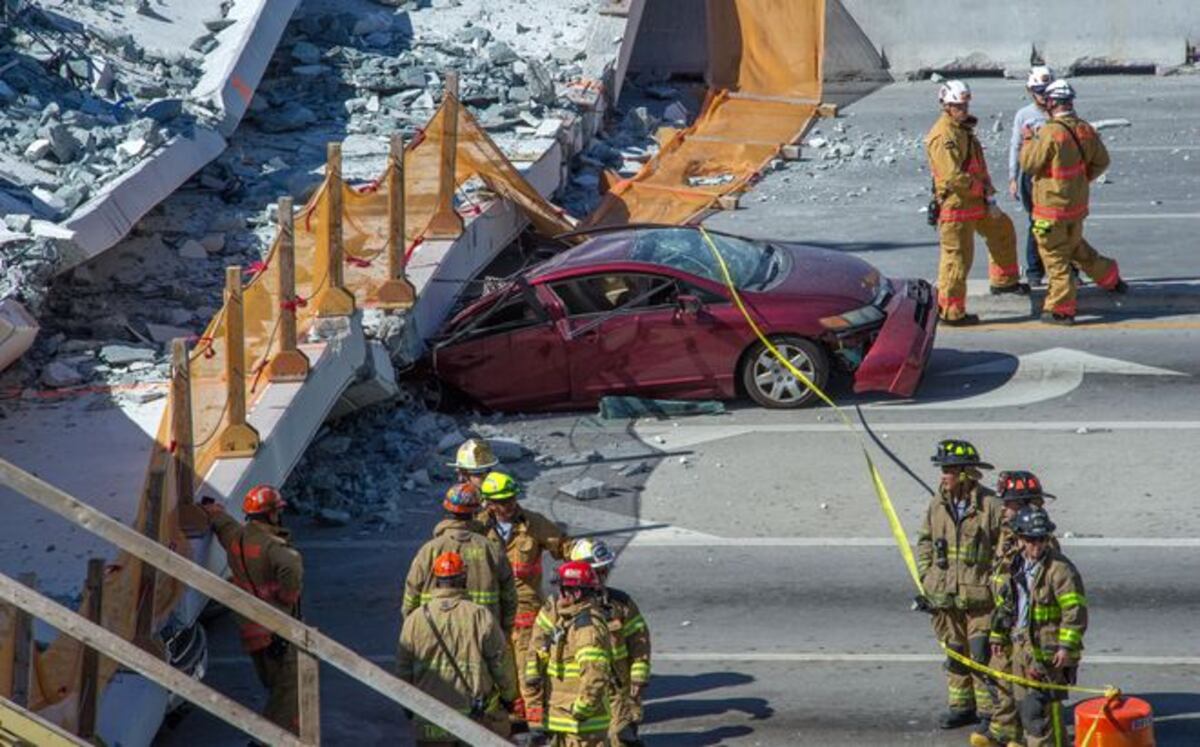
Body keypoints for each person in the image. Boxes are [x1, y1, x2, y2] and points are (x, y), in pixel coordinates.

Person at [1019, 79, 1127, 325]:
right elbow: (1102, 161)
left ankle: (1061, 308)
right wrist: (1080, 181)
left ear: (1052, 103)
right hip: (1075, 208)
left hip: (1049, 210)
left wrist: (1028, 140)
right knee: (1075, 246)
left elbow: (1029, 164)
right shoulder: (1085, 129)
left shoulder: (1049, 132)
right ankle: (1110, 277)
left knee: (1054, 256)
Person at [916, 439, 1005, 730]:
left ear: (967, 473)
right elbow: (925, 542)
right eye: (942, 468)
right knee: (955, 654)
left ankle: (989, 713)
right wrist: (927, 577)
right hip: (945, 596)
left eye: (949, 469)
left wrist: (995, 586)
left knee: (981, 656)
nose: (943, 474)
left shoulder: (990, 506)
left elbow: (1005, 552)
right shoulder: (937, 504)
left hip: (980, 599)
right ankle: (961, 706)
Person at [925, 79, 1028, 326]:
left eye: (965, 105)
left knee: (1002, 230)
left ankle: (1004, 282)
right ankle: (951, 312)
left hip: (976, 201)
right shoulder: (944, 135)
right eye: (958, 106)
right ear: (946, 106)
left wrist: (988, 193)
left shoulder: (962, 130)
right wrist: (981, 190)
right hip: (957, 205)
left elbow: (976, 165)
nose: (963, 110)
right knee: (957, 260)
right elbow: (952, 176)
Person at [204, 485, 303, 734]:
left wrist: (212, 512)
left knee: (276, 684)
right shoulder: (275, 548)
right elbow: (291, 571)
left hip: (251, 630)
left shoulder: (239, 538)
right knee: (290, 688)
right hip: (277, 629)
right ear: (271, 514)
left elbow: (225, 527)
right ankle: (271, 738)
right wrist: (287, 597)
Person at [477, 471, 571, 728]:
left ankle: (532, 723)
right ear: (489, 502)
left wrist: (584, 560)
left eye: (512, 499)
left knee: (527, 668)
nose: (509, 506)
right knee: (497, 668)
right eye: (502, 501)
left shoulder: (533, 524)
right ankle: (503, 717)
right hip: (491, 614)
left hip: (525, 612)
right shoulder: (477, 527)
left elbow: (564, 546)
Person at [974, 471, 1059, 747]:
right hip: (1009, 625)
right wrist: (998, 631)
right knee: (1001, 681)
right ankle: (1003, 736)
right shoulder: (1008, 535)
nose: (1004, 509)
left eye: (1008, 504)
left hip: (1032, 635)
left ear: (1024, 505)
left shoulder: (1039, 543)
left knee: (1034, 699)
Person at [396, 551, 517, 745]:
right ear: (464, 579)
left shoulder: (415, 619)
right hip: (474, 719)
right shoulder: (480, 616)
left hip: (431, 719)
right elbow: (501, 663)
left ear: (436, 580)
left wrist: (407, 703)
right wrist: (509, 697)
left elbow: (403, 668)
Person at [991, 506, 1087, 747]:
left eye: (1042, 539)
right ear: (1020, 539)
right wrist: (998, 635)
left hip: (1048, 654)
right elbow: (1006, 604)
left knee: (1039, 713)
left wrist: (1065, 647)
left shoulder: (1060, 570)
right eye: (1031, 539)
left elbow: (1074, 612)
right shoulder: (1014, 564)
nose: (1037, 545)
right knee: (1029, 708)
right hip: (1020, 648)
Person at [403, 483, 517, 634]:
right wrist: (504, 630)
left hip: (436, 630)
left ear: (446, 510)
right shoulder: (491, 549)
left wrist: (415, 626)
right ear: (476, 512)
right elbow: (509, 596)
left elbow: (411, 596)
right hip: (483, 632)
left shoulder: (429, 550)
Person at [524, 561, 615, 746]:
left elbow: (595, 677)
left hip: (583, 728)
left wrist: (581, 709)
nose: (559, 595)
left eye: (563, 589)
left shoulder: (587, 628)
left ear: (576, 593)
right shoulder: (568, 618)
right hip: (565, 721)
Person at [570, 538, 651, 747]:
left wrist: (638, 678)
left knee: (622, 739)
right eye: (598, 571)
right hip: (586, 693)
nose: (603, 576)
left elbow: (639, 642)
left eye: (605, 570)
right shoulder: (564, 607)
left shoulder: (620, 604)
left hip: (619, 692)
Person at [1008, 66, 1054, 286]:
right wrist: (1013, 178)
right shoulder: (1024, 115)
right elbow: (1015, 147)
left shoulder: (1060, 112)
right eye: (1039, 91)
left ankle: (1068, 268)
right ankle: (1035, 270)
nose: (1044, 96)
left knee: (1063, 223)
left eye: (1047, 91)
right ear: (1030, 91)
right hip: (1031, 177)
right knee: (1037, 222)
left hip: (1055, 176)